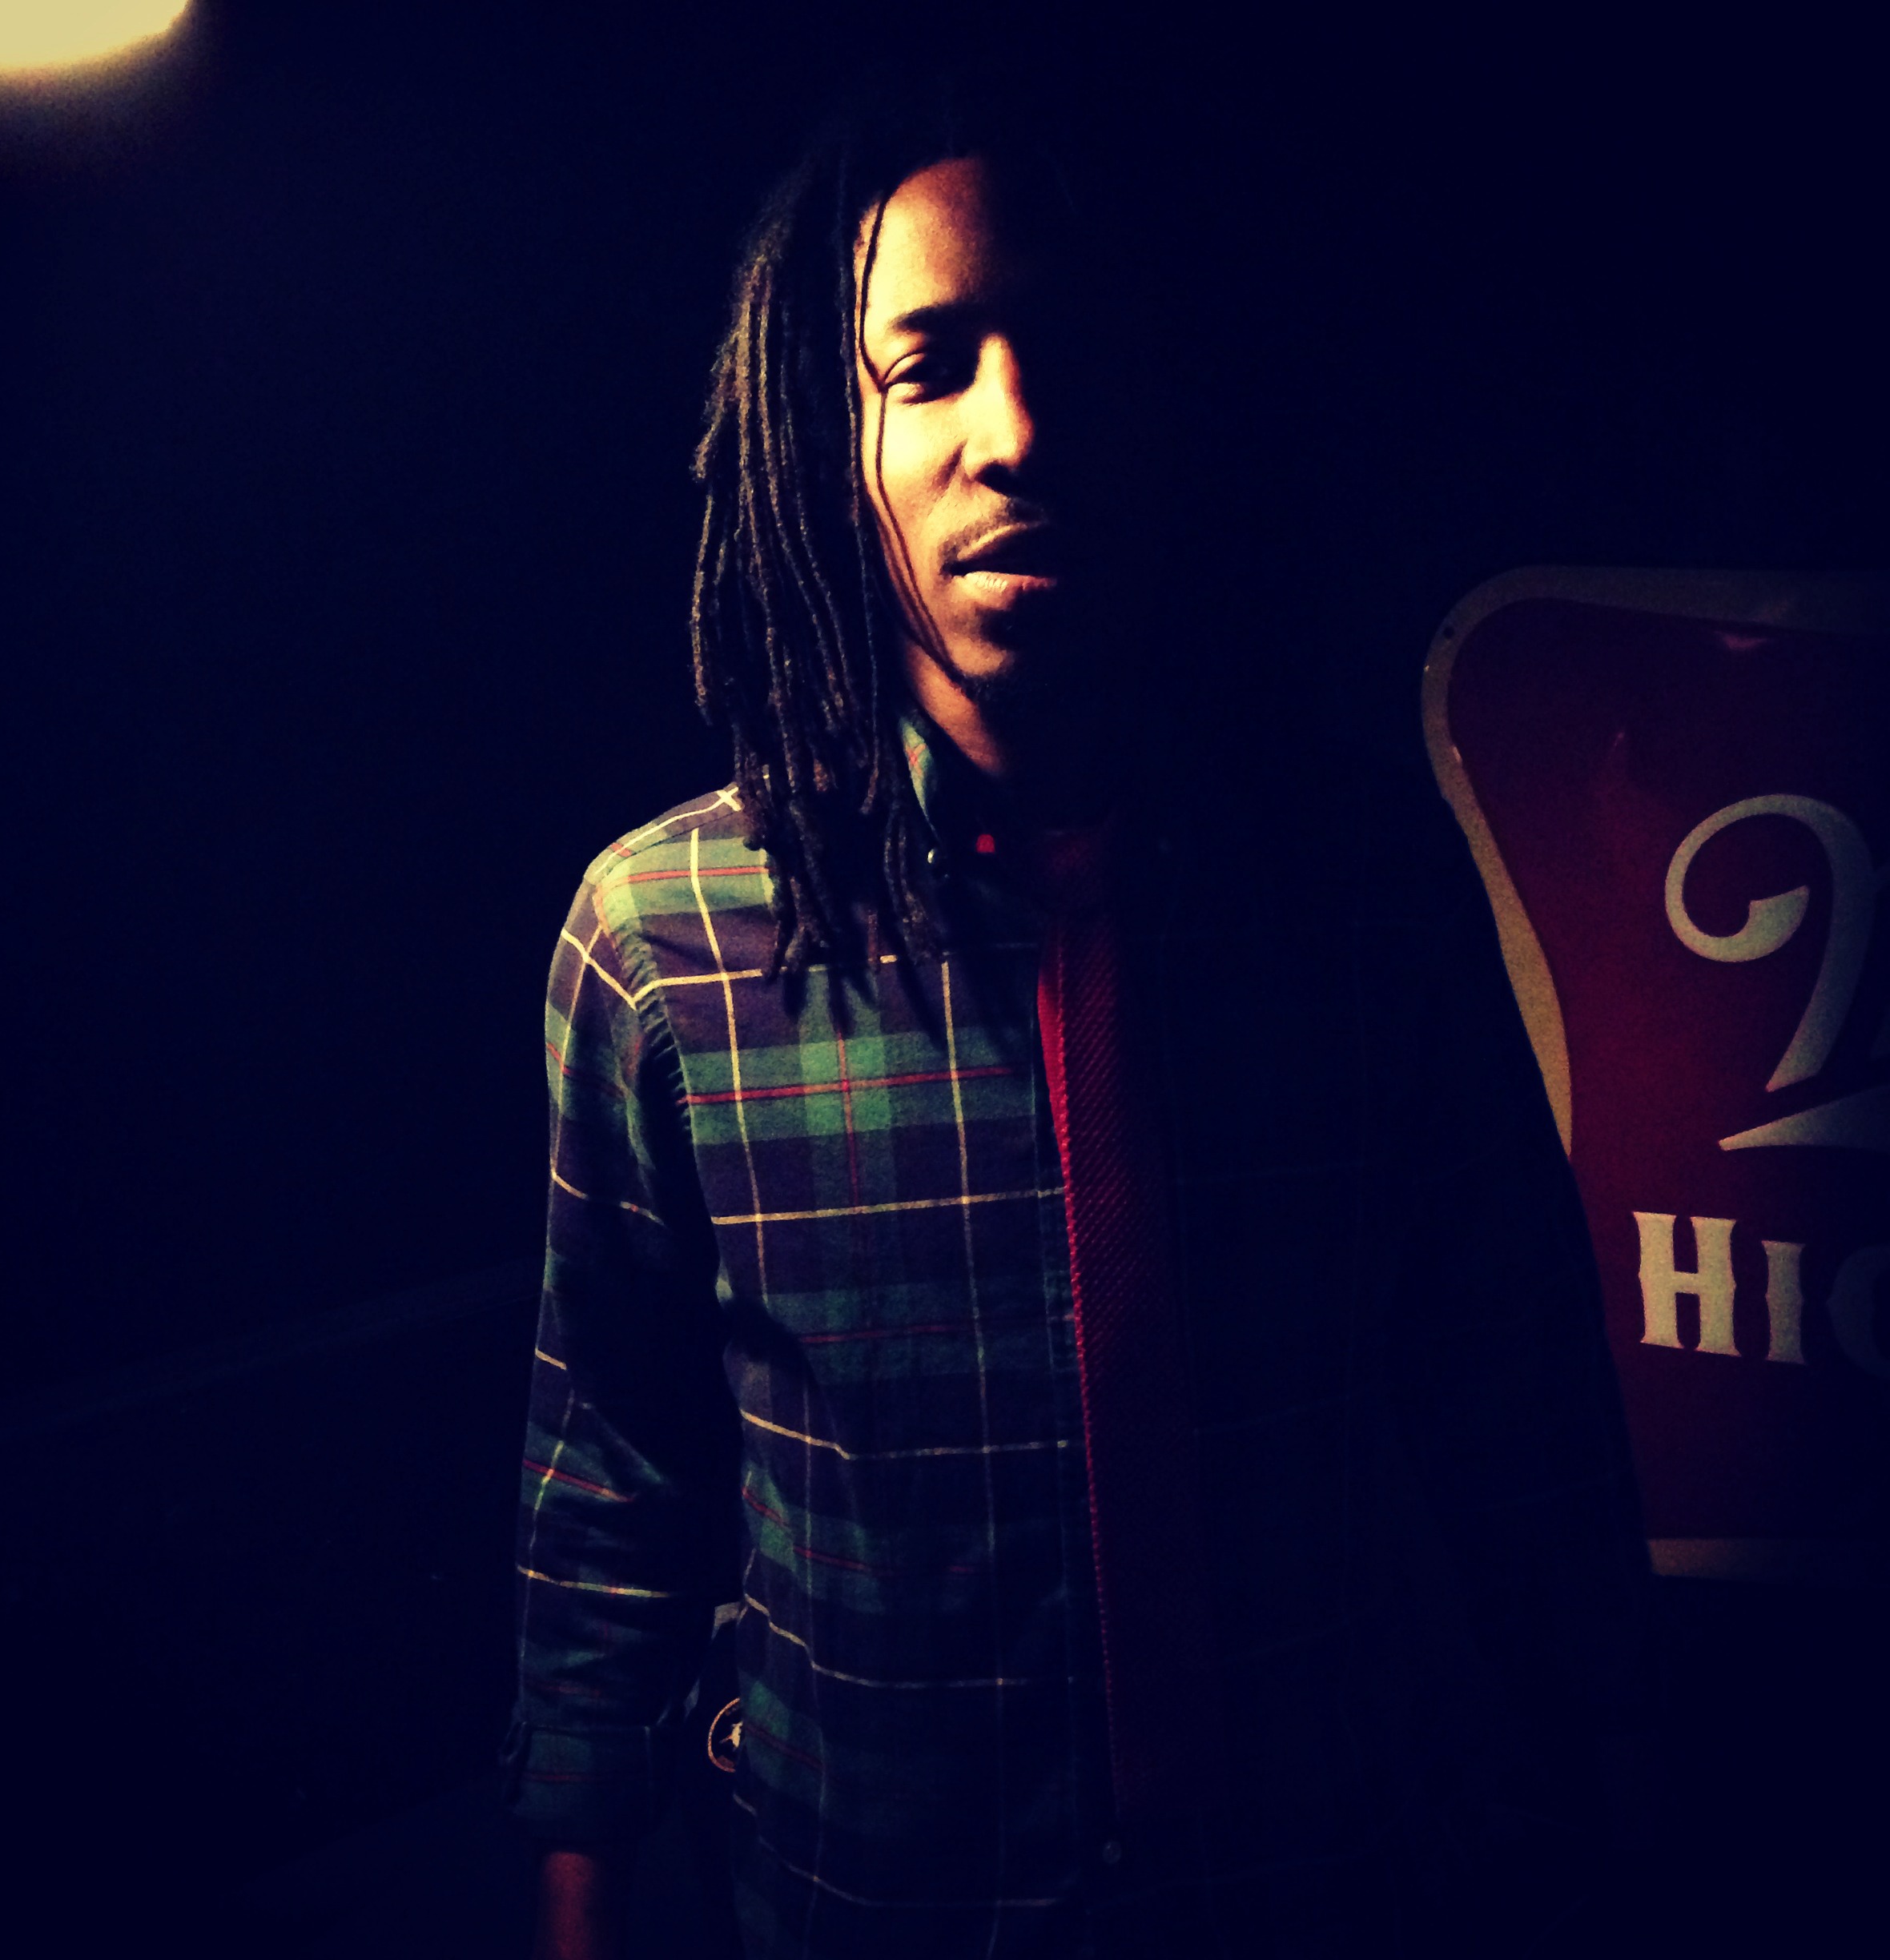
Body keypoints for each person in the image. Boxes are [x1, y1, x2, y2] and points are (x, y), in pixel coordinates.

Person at [505, 82, 1655, 1960]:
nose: (1018, 431)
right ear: (821, 435)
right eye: (928, 365)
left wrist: (1620, 1822)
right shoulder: (666, 945)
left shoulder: (1363, 890)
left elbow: (1524, 1424)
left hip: (1347, 1893)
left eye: (1073, 351)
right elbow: (610, 1493)